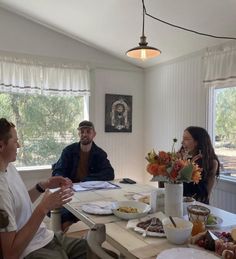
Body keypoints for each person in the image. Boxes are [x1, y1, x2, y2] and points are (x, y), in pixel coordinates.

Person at [0, 118, 87, 259]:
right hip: (31, 250)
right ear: (1, 146)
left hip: (47, 237)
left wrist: (42, 186)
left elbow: (16, 205)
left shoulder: (9, 167)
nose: (19, 145)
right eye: (15, 141)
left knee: (95, 251)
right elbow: (10, 254)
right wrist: (43, 207)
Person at [52, 120, 114, 231]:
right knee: (63, 216)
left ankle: (93, 236)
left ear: (94, 134)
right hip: (70, 192)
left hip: (91, 194)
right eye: (81, 131)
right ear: (78, 134)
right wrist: (64, 179)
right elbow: (57, 171)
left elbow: (109, 173)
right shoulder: (68, 151)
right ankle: (60, 240)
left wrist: (86, 180)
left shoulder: (99, 153)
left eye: (88, 131)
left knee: (109, 210)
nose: (84, 134)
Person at [180, 126, 220, 204]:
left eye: (187, 139)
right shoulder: (180, 159)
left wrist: (204, 202)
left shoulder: (212, 163)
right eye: (183, 139)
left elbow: (208, 191)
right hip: (179, 201)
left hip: (199, 204)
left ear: (197, 142)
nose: (182, 142)